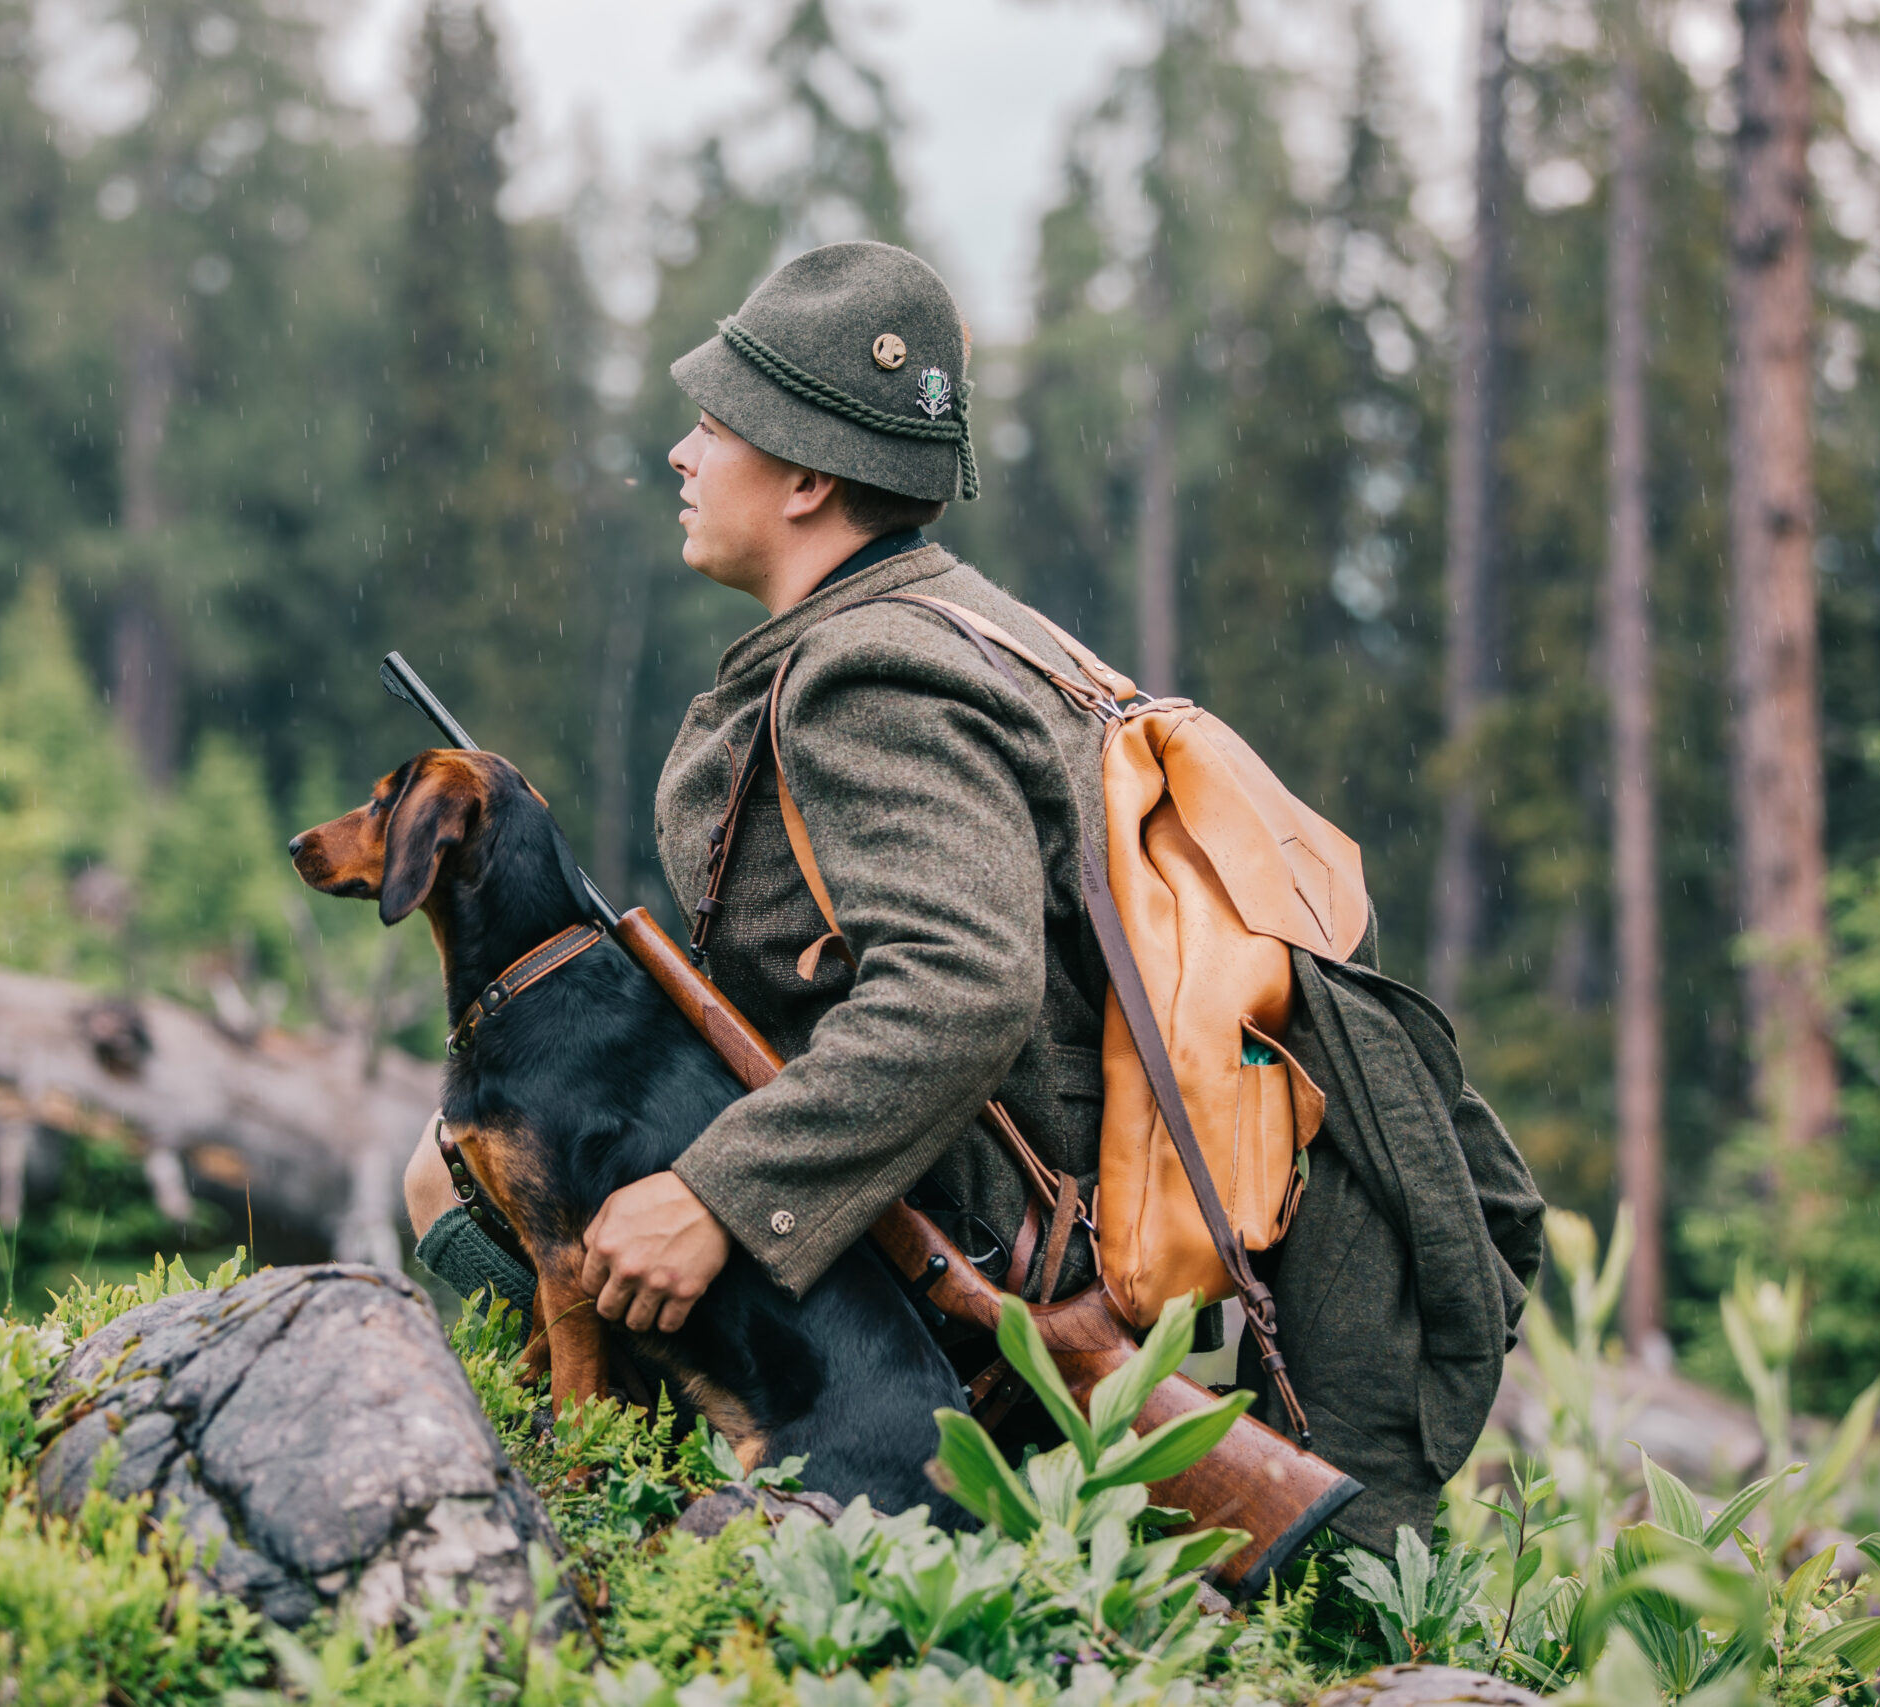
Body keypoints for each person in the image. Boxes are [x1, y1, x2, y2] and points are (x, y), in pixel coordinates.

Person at [407, 240, 1543, 1551]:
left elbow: (964, 986)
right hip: (975, 1211)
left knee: (451, 1180)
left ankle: (617, 1509)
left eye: (714, 424)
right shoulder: (973, 628)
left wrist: (719, 1191)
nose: (681, 453)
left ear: (808, 473)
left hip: (966, 1268)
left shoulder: (869, 681)